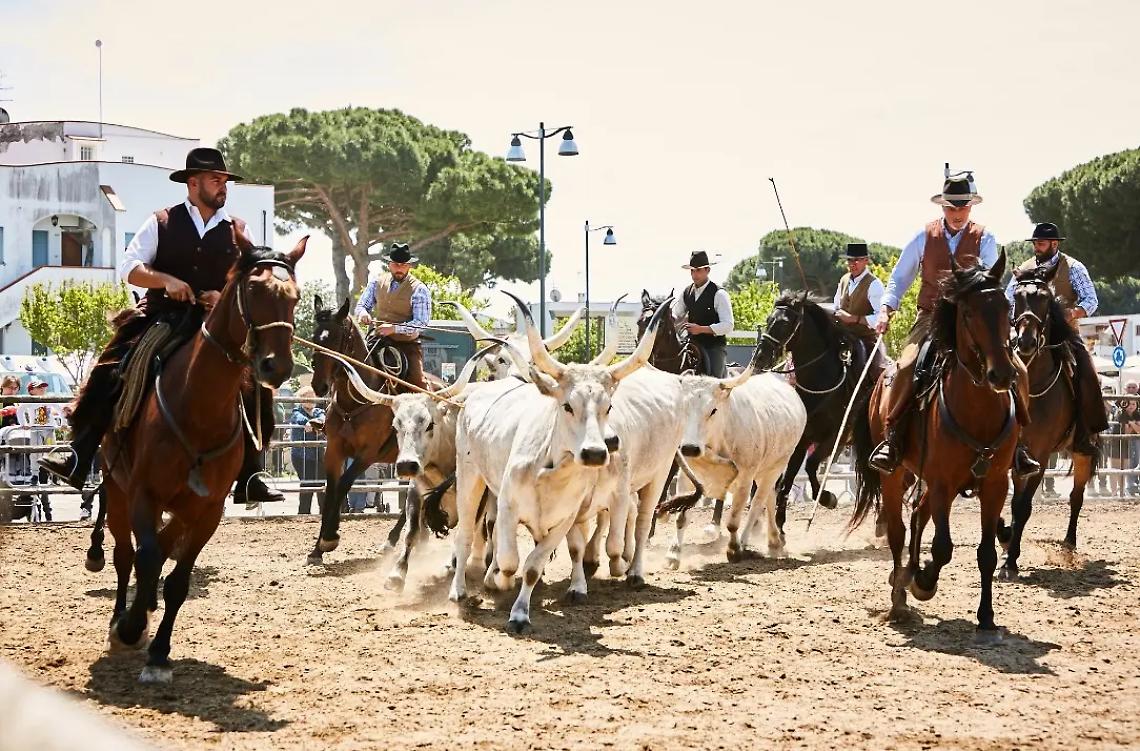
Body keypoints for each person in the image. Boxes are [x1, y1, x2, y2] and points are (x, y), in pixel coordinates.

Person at [39, 147, 284, 504]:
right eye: (216, 180)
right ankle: (78, 450)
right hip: (162, 316)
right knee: (112, 365)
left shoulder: (238, 230)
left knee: (256, 383)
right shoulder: (161, 222)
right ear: (193, 182)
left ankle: (252, 473)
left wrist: (223, 296)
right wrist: (166, 280)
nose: (222, 186)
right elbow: (130, 268)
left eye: (224, 180)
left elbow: (252, 282)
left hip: (215, 327)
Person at [870, 169, 1039, 479]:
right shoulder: (923, 237)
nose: (957, 212)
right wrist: (885, 308)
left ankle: (1020, 446)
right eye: (951, 206)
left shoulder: (985, 238)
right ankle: (892, 441)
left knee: (1020, 370)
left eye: (962, 206)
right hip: (930, 320)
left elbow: (990, 279)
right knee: (907, 365)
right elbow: (899, 278)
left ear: (971, 206)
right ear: (942, 206)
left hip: (972, 321)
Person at [1005, 222, 1108, 456]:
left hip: (1066, 336)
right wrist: (1017, 320)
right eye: (1034, 244)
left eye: (1040, 243)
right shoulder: (1023, 269)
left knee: (1087, 374)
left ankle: (1086, 433)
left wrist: (1072, 313)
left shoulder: (1073, 267)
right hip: (1028, 334)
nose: (1036, 248)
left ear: (1054, 244)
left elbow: (1091, 300)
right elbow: (1008, 298)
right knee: (1000, 369)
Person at [355, 243, 432, 389]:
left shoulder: (419, 289)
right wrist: (363, 314)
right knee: (355, 367)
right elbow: (361, 306)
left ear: (409, 266)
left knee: (418, 383)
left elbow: (421, 323)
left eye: (403, 265)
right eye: (396, 264)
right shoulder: (376, 282)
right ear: (389, 265)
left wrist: (394, 329)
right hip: (377, 341)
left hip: (407, 345)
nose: (399, 268)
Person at [671, 251, 735, 378]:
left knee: (716, 382)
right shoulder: (686, 292)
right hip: (690, 344)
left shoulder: (719, 294)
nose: (695, 274)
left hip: (713, 347)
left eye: (698, 270)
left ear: (707, 270)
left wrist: (700, 329)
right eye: (692, 271)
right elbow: (676, 314)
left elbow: (728, 325)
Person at [832, 242, 886, 370]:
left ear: (866, 261)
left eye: (857, 260)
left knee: (869, 372)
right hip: (841, 337)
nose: (852, 264)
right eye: (849, 260)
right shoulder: (844, 279)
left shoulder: (874, 284)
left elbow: (880, 317)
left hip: (865, 340)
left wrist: (854, 318)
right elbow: (836, 306)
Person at [288, 388, 326, 515]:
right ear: (301, 399)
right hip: (301, 455)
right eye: (307, 397)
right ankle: (304, 513)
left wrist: (315, 423)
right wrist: (309, 423)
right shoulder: (296, 411)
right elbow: (298, 419)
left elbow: (322, 419)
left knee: (321, 483)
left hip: (318, 455)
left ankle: (324, 513)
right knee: (307, 483)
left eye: (312, 397)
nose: (310, 400)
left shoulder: (319, 411)